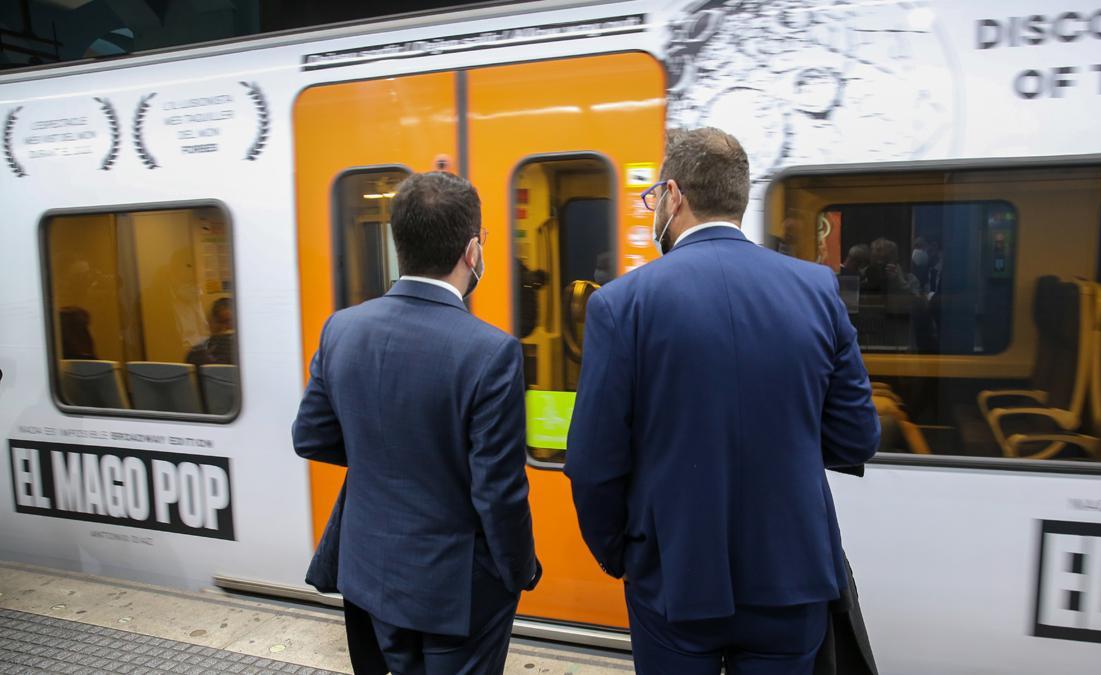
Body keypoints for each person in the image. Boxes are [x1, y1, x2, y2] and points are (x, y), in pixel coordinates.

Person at [565, 128, 880, 674]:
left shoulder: (622, 305)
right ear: (738, 196)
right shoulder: (816, 289)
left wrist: (625, 555)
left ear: (673, 195)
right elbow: (857, 436)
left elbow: (594, 463)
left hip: (674, 577)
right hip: (792, 574)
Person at [293, 171, 540, 675]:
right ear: (473, 251)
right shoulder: (491, 352)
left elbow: (311, 435)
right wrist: (518, 571)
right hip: (453, 592)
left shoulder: (342, 328)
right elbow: (498, 492)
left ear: (398, 243)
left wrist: (385, 451)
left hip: (365, 574)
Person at [184, 297, 236, 367]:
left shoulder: (246, 350)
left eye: (229, 321)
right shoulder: (198, 352)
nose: (224, 328)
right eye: (219, 322)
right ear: (211, 324)